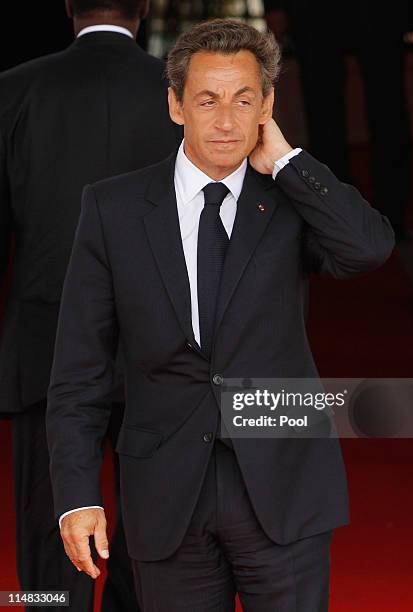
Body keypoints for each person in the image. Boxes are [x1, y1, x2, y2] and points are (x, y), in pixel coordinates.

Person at [47, 18, 395, 611]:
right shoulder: (112, 208)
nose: (228, 122)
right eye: (208, 101)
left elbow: (369, 248)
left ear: (267, 105)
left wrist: (286, 159)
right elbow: (81, 368)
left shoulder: (291, 200)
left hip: (282, 485)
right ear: (176, 105)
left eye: (244, 100)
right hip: (165, 494)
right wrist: (78, 495)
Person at [0, 1, 181, 610]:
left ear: (68, 6)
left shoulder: (14, 89)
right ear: (147, 7)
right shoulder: (182, 93)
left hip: (44, 338)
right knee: (152, 517)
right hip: (161, 341)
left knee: (48, 519)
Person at [264, 0, 413, 241]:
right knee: (322, 111)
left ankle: (392, 213)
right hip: (315, 10)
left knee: (388, 106)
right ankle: (332, 215)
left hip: (381, 10)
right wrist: (274, 5)